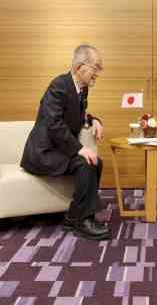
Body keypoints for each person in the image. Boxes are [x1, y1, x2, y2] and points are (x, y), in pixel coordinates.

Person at [21, 44, 111, 241]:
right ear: (80, 68)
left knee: (98, 161)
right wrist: (79, 149)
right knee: (85, 162)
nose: (98, 72)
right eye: (96, 67)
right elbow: (54, 123)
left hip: (58, 150)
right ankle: (82, 221)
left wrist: (93, 120)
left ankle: (73, 216)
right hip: (43, 153)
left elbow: (77, 115)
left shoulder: (81, 89)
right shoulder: (59, 86)